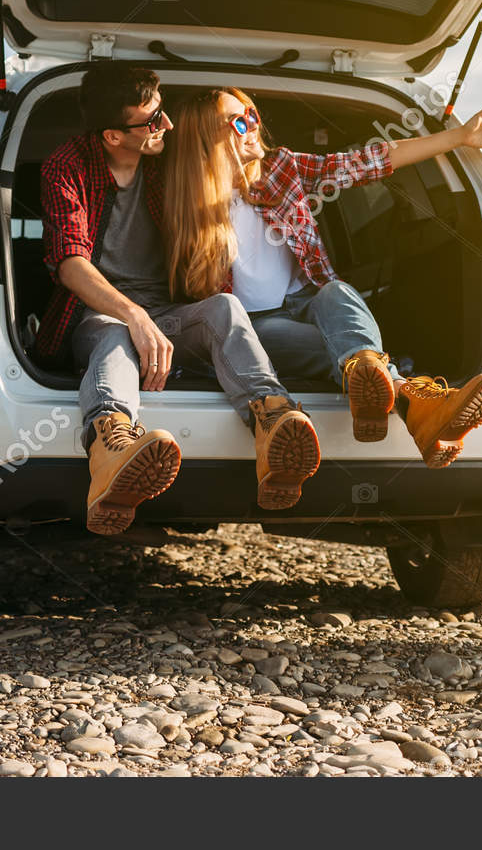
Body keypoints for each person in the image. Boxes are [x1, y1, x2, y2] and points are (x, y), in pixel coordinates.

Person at [161, 87, 482, 467]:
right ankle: (416, 406)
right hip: (250, 330)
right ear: (205, 136)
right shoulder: (180, 201)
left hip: (306, 304)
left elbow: (366, 162)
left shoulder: (282, 170)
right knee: (343, 350)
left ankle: (377, 386)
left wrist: (458, 137)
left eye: (252, 114)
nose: (253, 125)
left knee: (338, 292)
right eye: (239, 120)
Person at [34, 63, 321, 536]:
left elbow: (225, 163)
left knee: (224, 308)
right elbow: (70, 262)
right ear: (112, 136)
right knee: (113, 339)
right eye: (151, 121)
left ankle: (273, 423)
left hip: (170, 312)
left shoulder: (167, 162)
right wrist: (133, 316)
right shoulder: (67, 165)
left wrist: (239, 126)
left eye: (163, 112)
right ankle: (112, 451)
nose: (165, 125)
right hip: (99, 312)